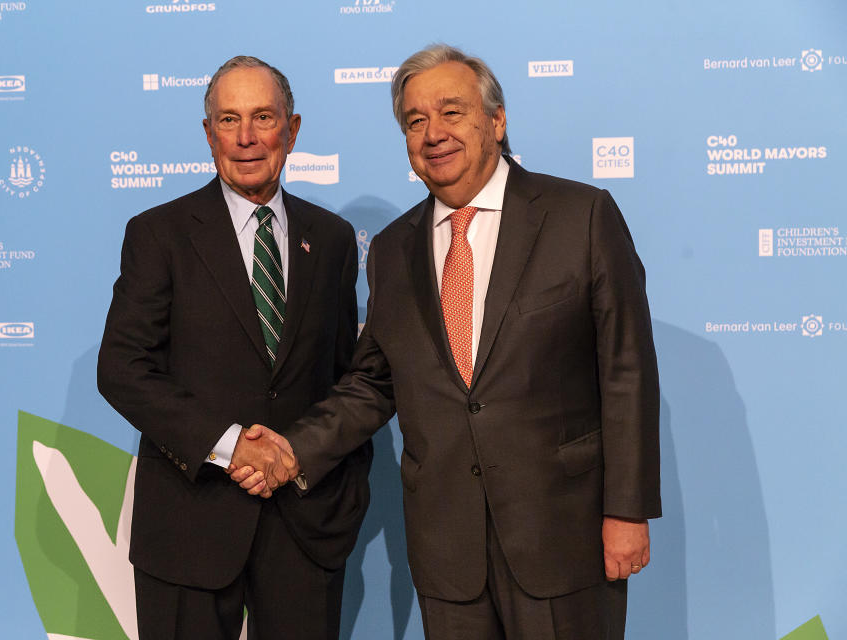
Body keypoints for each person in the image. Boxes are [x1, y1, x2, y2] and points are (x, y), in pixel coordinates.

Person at [230, 45, 661, 639]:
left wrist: (627, 510)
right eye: (415, 120)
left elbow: (627, 371)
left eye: (452, 112)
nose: (433, 133)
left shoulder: (579, 216)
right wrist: (292, 451)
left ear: (496, 121)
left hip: (564, 537)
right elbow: (373, 384)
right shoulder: (391, 248)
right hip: (447, 553)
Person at [97, 55, 372, 640]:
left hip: (305, 526)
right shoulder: (158, 234)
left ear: (292, 130)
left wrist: (321, 473)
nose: (246, 138)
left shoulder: (331, 239)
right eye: (228, 120)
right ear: (208, 134)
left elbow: (349, 379)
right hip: (189, 527)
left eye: (263, 117)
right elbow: (122, 369)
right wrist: (229, 447)